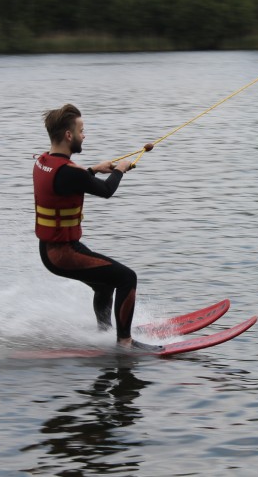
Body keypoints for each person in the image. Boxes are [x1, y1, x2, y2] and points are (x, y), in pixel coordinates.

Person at [33, 104, 161, 352]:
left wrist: (93, 169)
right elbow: (105, 190)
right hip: (62, 253)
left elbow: (66, 180)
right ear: (69, 135)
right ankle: (125, 343)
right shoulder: (71, 173)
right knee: (127, 277)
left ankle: (104, 334)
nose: (84, 135)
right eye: (82, 130)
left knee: (104, 284)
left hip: (52, 249)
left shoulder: (43, 161)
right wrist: (120, 170)